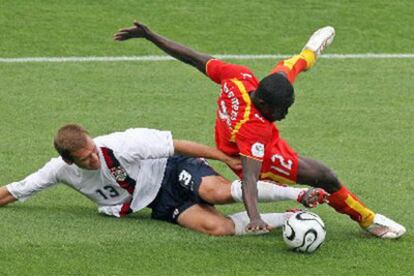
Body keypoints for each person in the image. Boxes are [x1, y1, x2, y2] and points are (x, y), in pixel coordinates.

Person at [113, 22, 406, 238]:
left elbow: (192, 57)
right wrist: (255, 218)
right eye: (282, 111)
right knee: (323, 176)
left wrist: (151, 36)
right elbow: (250, 179)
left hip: (255, 133)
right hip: (251, 156)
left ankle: (309, 53)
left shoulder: (240, 78)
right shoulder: (255, 130)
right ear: (264, 104)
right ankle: (368, 220)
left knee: (288, 68)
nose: (285, 115)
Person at [0, 123, 326, 236]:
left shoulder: (122, 143)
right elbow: (16, 190)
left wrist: (224, 157)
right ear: (68, 160)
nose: (93, 156)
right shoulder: (57, 171)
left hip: (170, 169)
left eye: (91, 148)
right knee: (218, 229)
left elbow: (177, 146)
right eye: (85, 158)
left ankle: (298, 195)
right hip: (156, 202)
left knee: (215, 191)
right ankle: (289, 219)